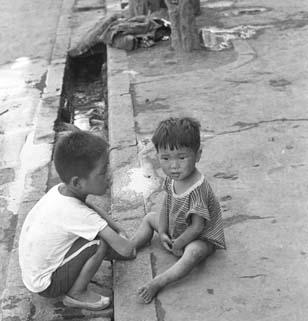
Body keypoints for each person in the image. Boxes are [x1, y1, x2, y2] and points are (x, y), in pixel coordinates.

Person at [18, 130, 135, 310]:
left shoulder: (60, 190)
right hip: (48, 284)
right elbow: (127, 250)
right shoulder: (76, 213)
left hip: (35, 272)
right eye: (103, 172)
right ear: (77, 183)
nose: (110, 174)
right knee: (99, 243)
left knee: (101, 235)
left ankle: (77, 274)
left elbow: (91, 210)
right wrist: (122, 238)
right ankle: (77, 293)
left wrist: (117, 228)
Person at [131, 116, 226, 303]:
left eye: (182, 157)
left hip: (199, 237)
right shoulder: (172, 178)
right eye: (165, 158)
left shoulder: (198, 188)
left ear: (198, 155)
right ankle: (130, 246)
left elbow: (197, 227)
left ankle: (159, 282)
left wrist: (178, 244)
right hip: (177, 228)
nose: (174, 166)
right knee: (150, 217)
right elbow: (167, 203)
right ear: (157, 155)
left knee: (194, 252)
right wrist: (164, 231)